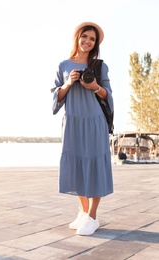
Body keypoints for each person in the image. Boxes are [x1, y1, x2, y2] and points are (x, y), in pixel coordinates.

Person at [51, 21, 114, 236]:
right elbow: (55, 97)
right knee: (76, 164)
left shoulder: (99, 66)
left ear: (95, 44)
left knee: (94, 164)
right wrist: (68, 84)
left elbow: (108, 95)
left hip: (94, 121)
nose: (87, 41)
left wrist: (94, 86)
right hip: (73, 122)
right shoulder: (63, 65)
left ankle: (93, 216)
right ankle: (83, 211)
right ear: (77, 37)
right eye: (84, 36)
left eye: (92, 39)